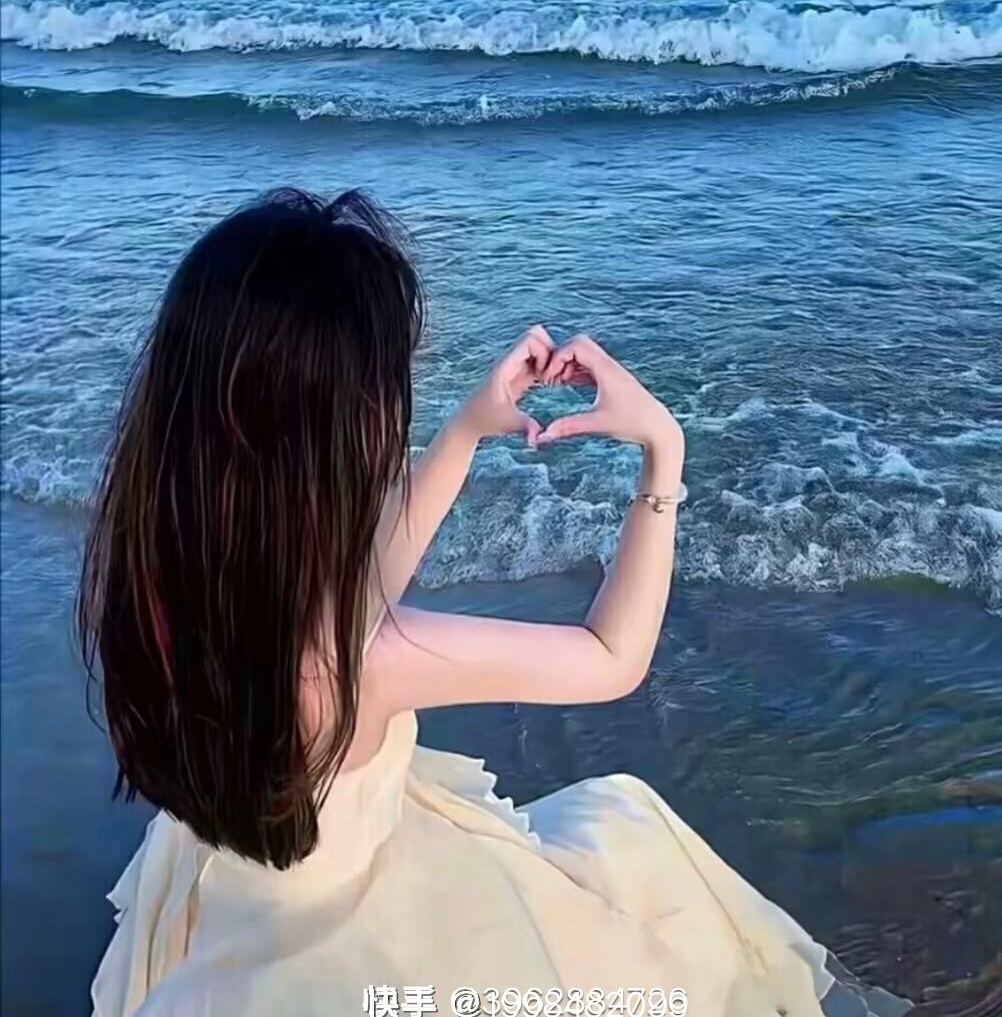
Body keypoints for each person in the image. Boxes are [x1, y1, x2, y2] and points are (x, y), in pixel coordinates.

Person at [81, 189, 908, 1017]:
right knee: (633, 850)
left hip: (242, 909)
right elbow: (610, 658)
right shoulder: (362, 661)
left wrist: (468, 429)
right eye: (389, 385)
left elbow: (362, 587)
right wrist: (664, 453)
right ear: (343, 427)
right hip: (361, 948)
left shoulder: (169, 580)